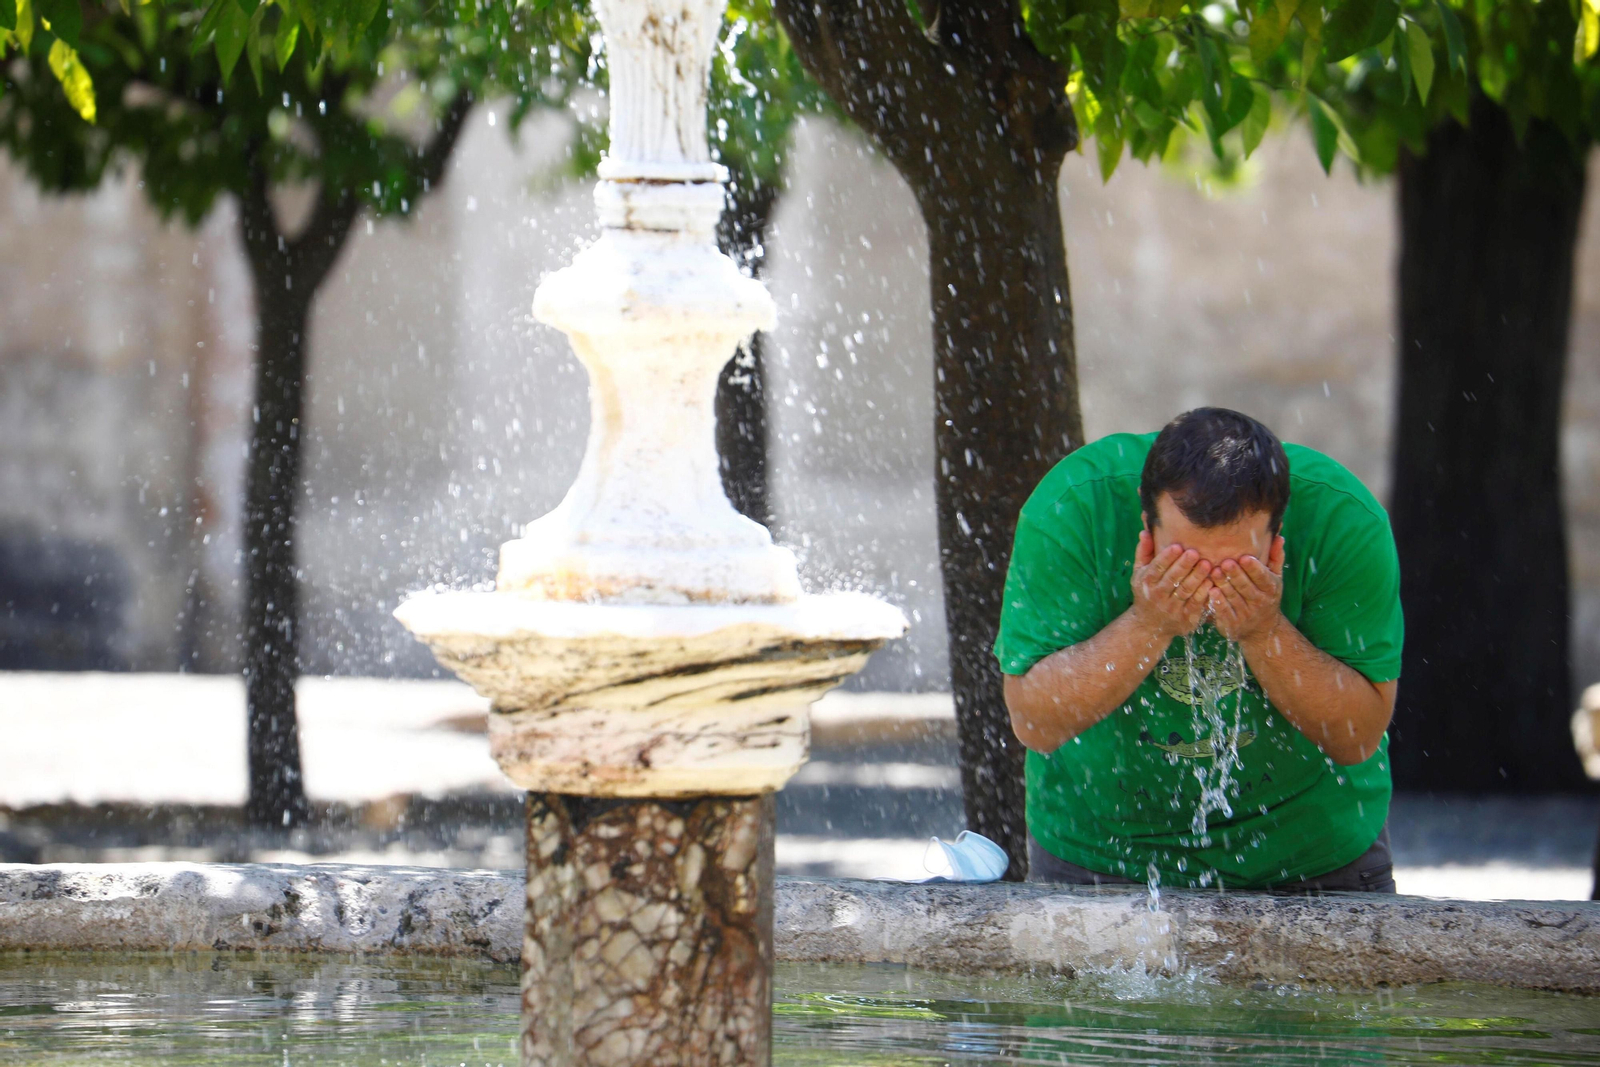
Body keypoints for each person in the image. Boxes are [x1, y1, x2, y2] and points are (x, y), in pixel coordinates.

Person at [995, 408, 1402, 892]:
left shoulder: (1342, 520)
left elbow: (1357, 736)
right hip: (1102, 851)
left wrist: (1264, 631)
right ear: (1145, 526)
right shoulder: (1073, 508)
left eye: (1238, 567)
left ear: (1278, 536)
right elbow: (1033, 721)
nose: (1209, 587)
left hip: (1313, 852)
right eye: (1184, 562)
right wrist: (1148, 623)